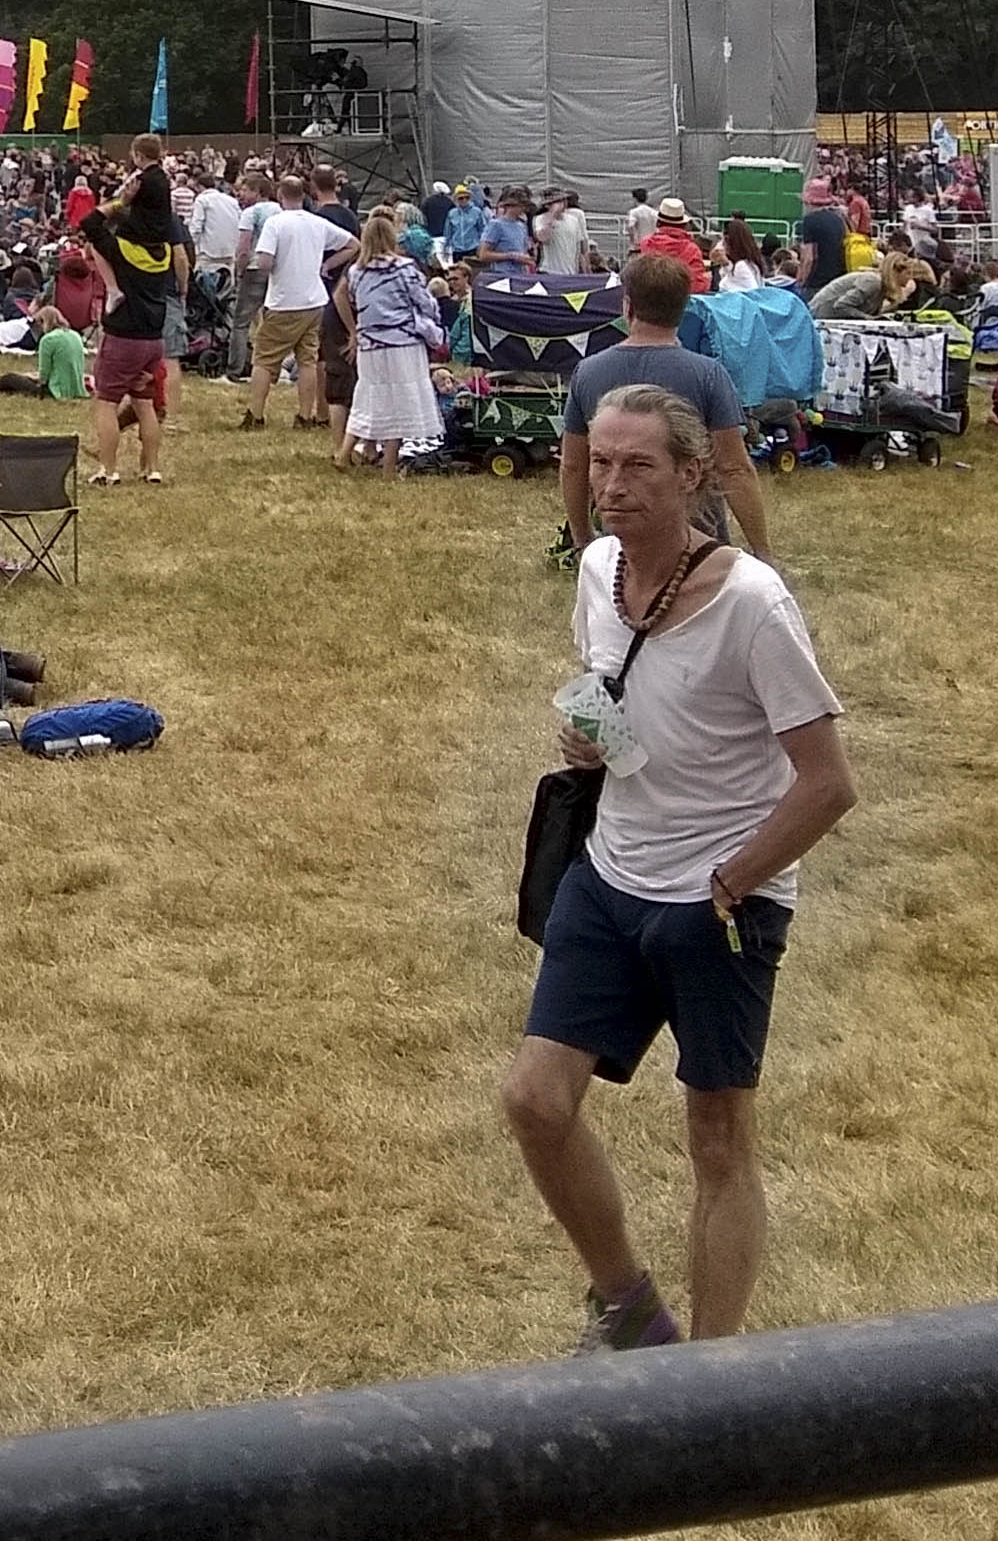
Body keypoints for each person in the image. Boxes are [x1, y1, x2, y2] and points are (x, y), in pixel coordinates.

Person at [502, 384, 857, 1352]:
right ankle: (627, 1310)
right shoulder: (594, 570)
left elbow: (827, 784)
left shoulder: (751, 604)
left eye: (635, 466)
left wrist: (730, 885)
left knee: (716, 1142)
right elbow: (617, 701)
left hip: (720, 903)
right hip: (609, 875)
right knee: (533, 1101)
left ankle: (712, 1385)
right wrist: (588, 743)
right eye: (597, 462)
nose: (607, 485)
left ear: (693, 475)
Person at [559, 253, 775, 559]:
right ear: (683, 309)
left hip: (621, 539)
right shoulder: (708, 374)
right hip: (698, 540)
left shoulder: (588, 371)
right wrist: (762, 552)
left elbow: (573, 465)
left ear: (628, 306)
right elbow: (734, 468)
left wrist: (583, 540)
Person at [86, 157, 188, 487]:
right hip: (152, 338)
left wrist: (120, 203)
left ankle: (109, 469)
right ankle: (153, 468)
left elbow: (89, 224)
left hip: (122, 336)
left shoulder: (122, 248)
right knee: (145, 404)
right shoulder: (163, 253)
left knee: (106, 401)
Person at [237, 171, 356, 429]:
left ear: (280, 196)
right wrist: (327, 265)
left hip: (284, 301)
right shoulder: (317, 222)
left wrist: (270, 268)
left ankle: (255, 414)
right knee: (308, 360)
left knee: (264, 359)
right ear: (303, 195)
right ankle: (305, 415)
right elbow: (353, 244)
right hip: (314, 300)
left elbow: (266, 262)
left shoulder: (276, 223)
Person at [341, 210, 449, 471]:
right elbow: (425, 302)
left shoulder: (356, 271)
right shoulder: (405, 268)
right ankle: (389, 467)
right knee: (399, 403)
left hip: (370, 345)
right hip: (402, 344)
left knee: (368, 398)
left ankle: (343, 454)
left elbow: (354, 301)